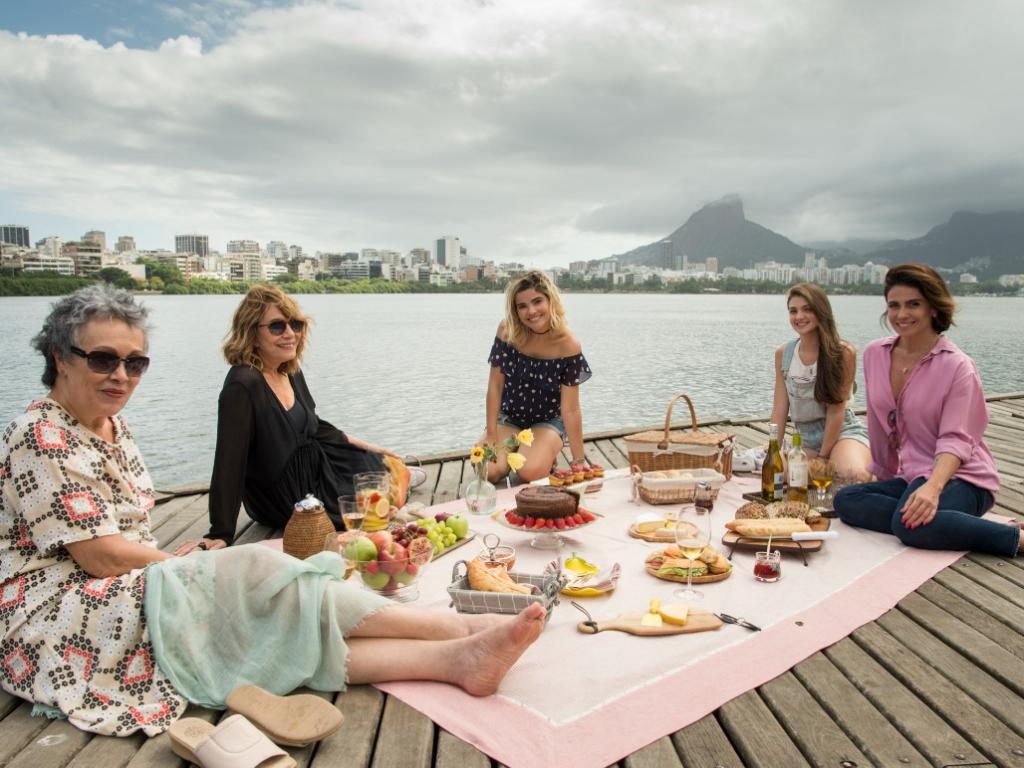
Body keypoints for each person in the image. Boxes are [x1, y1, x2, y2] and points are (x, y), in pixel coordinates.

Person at [0, 285, 547, 737]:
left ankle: (456, 657)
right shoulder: (43, 438)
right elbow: (98, 555)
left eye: (135, 361)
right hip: (59, 609)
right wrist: (203, 551)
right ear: (59, 359)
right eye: (103, 358)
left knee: (264, 620)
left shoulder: (107, 424)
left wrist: (179, 562)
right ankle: (452, 628)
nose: (122, 374)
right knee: (259, 570)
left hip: (120, 580)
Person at [177, 285, 409, 553]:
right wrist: (221, 531)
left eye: (296, 325)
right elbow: (229, 461)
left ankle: (402, 473)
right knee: (362, 505)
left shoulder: (290, 371)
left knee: (377, 467)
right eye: (277, 326)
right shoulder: (243, 384)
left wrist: (368, 446)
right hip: (282, 494)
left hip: (316, 468)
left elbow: (314, 426)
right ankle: (402, 477)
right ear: (252, 332)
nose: (290, 334)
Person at [833, 264, 1021, 556]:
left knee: (911, 527)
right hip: (912, 475)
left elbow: (956, 440)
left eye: (913, 304)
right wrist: (884, 474)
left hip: (962, 478)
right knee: (846, 500)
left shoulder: (957, 366)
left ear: (933, 308)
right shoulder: (875, 354)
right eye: (894, 305)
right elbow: (878, 423)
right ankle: (935, 519)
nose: (901, 314)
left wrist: (933, 488)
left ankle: (1014, 538)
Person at [484, 271, 592, 482]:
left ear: (550, 300)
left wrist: (579, 460)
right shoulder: (507, 331)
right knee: (488, 470)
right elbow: (495, 385)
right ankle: (522, 449)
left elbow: (570, 409)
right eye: (522, 306)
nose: (531, 311)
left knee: (528, 472)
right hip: (510, 417)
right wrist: (490, 433)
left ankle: (542, 451)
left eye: (537, 301)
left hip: (548, 421)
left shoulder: (568, 344)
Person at [769, 283, 871, 482]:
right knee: (778, 476)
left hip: (842, 432)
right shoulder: (784, 354)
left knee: (852, 475)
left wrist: (823, 458)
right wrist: (773, 451)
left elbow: (836, 411)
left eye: (807, 309)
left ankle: (866, 463)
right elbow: (779, 409)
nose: (799, 316)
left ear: (821, 311)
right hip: (806, 440)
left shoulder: (843, 353)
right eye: (793, 311)